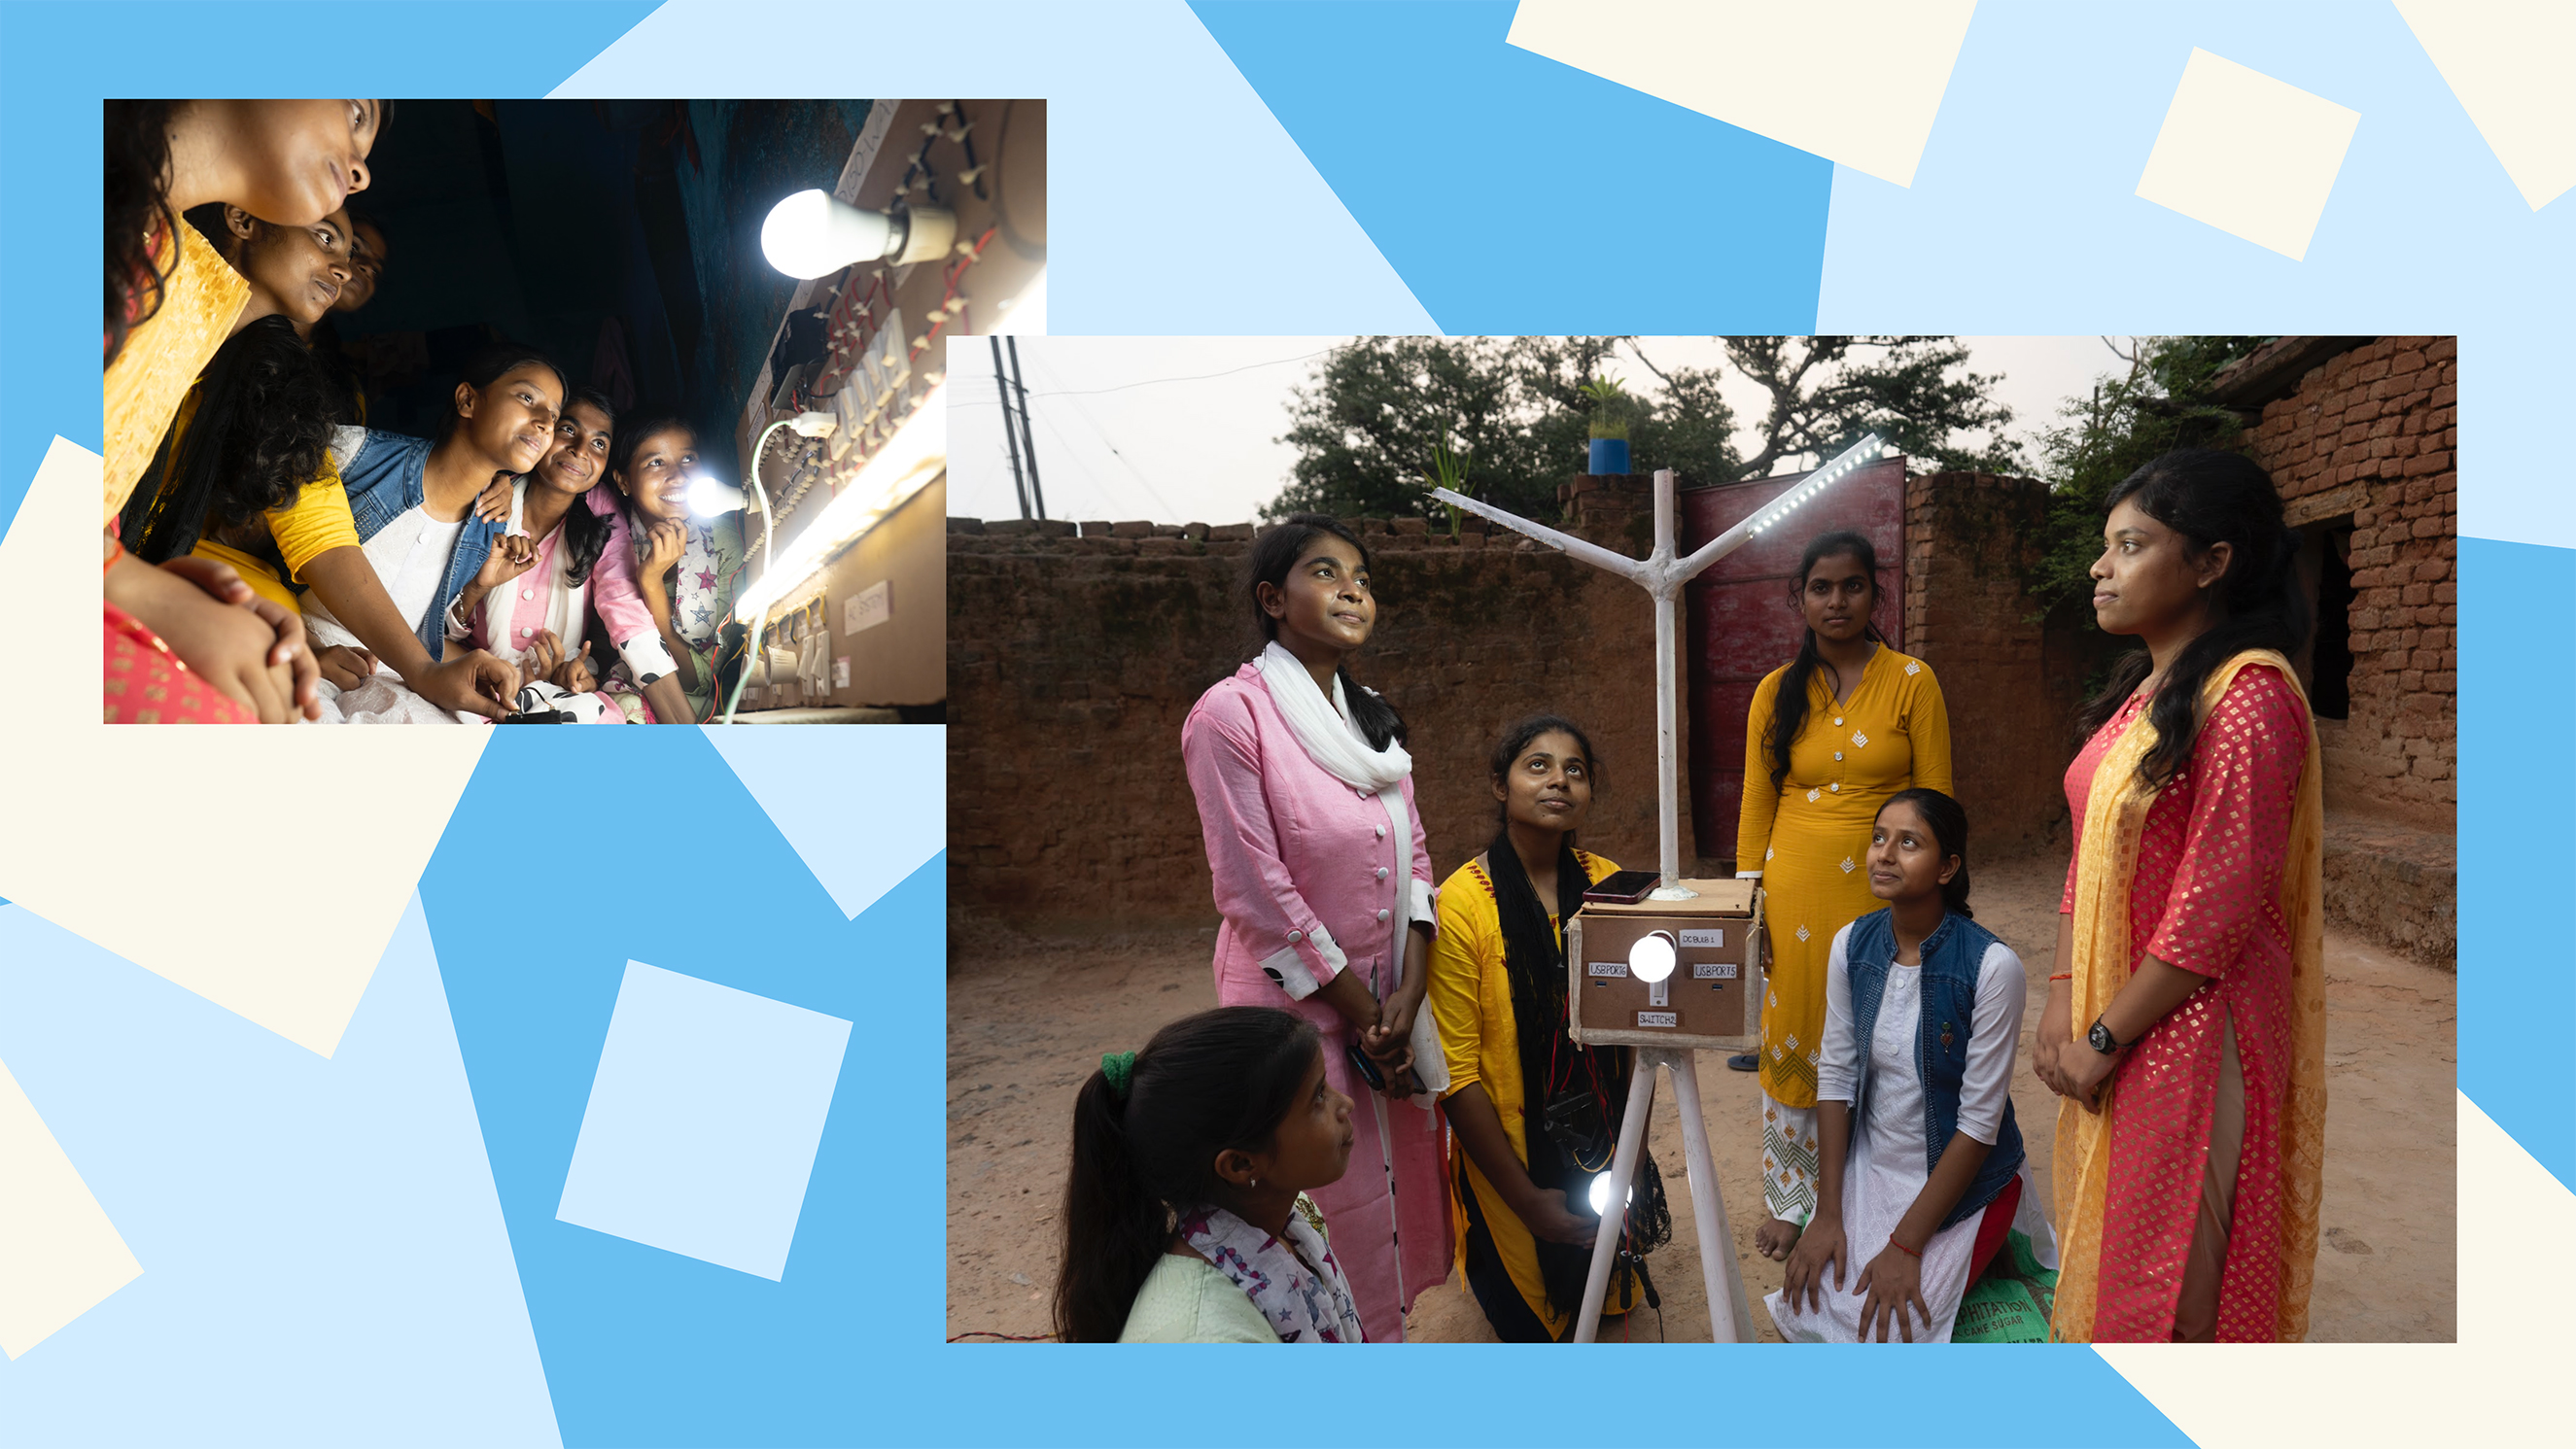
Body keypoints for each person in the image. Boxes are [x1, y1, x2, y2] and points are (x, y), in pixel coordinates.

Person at [2034, 449, 2325, 1343]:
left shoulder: (2249, 699)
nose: (2100, 566)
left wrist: (2103, 1036)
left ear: (2212, 561)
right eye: (2105, 546)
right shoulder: (2147, 691)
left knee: (2176, 1294)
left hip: (2195, 1032)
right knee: (2122, 1248)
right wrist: (2061, 996)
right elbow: (2092, 855)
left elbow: (2216, 909)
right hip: (2120, 1014)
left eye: (2130, 545)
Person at [1179, 513, 1448, 1342]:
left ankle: (1382, 1338)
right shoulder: (1229, 717)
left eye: (1362, 577)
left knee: (1386, 1188)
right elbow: (1256, 891)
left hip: (1386, 1009)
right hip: (1290, 1016)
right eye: (1326, 572)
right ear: (1272, 598)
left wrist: (1407, 995)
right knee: (1319, 1201)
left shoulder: (1372, 723)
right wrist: (1365, 1016)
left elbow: (1417, 858)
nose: (1352, 590)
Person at [103, 99, 381, 722]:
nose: (362, 170)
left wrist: (141, 581)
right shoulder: (155, 266)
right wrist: (136, 585)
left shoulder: (240, 346)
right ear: (244, 219)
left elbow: (320, 528)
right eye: (355, 112)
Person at [1733, 530, 1953, 1261]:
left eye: (1852, 585)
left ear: (1874, 593)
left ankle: (1880, 1187)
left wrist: (1938, 896)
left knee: (1887, 1027)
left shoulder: (1913, 680)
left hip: (1886, 887)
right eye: (1820, 588)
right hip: (1795, 889)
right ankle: (1792, 1198)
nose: (1837, 601)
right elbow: (1756, 802)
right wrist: (1750, 904)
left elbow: (1937, 799)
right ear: (1799, 598)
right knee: (1801, 1027)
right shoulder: (1776, 690)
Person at [1771, 789, 2055, 1343]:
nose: (1884, 854)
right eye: (1879, 838)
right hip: (1873, 1166)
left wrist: (1905, 1245)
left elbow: (1979, 1125)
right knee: (1805, 1304)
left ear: (1947, 867)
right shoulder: (1851, 944)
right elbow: (1836, 1077)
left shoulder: (1992, 967)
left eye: (1909, 843)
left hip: (1962, 1183)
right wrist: (1826, 1214)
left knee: (1894, 1330)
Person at [1426, 715, 1654, 1341]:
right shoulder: (1462, 904)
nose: (1559, 780)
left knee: (1611, 1300)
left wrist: (1632, 1158)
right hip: (1513, 1154)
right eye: (1538, 765)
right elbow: (1455, 1072)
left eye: (1575, 770)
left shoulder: (1611, 885)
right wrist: (1527, 1202)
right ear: (1500, 786)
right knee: (1532, 1326)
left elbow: (1640, 1037)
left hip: (1601, 1129)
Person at [1054, 1007, 1366, 1343]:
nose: (1345, 1103)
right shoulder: (1206, 1337)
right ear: (1240, 1165)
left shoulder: (1294, 1220)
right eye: (1318, 1097)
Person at [294, 342, 565, 721]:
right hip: (293, 643)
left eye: (554, 415)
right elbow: (244, 558)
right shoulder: (353, 454)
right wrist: (304, 645)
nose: (545, 422)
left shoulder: (490, 524)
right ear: (468, 400)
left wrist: (478, 587)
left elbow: (426, 626)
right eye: (527, 398)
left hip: (391, 676)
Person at [443, 390, 676, 723]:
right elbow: (428, 624)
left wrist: (687, 727)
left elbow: (626, 611)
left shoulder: (600, 518)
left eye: (599, 444)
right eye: (568, 429)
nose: (580, 450)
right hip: (466, 678)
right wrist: (479, 587)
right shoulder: (489, 498)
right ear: (543, 430)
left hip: (551, 692)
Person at [589, 415, 739, 722]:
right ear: (623, 481)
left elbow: (698, 680)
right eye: (656, 463)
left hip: (698, 700)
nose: (679, 476)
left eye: (688, 459)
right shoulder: (608, 540)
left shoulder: (723, 543)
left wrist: (652, 582)